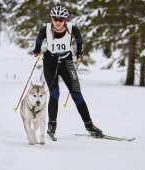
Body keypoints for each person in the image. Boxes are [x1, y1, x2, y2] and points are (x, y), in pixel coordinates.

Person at [33, 6, 102, 138]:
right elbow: (39, 41)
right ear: (51, 19)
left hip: (67, 63)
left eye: (61, 19)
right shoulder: (45, 29)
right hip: (50, 64)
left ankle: (89, 125)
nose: (58, 22)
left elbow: (79, 40)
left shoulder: (72, 29)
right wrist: (36, 50)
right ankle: (52, 125)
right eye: (55, 19)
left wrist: (80, 51)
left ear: (65, 20)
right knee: (55, 93)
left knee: (77, 94)